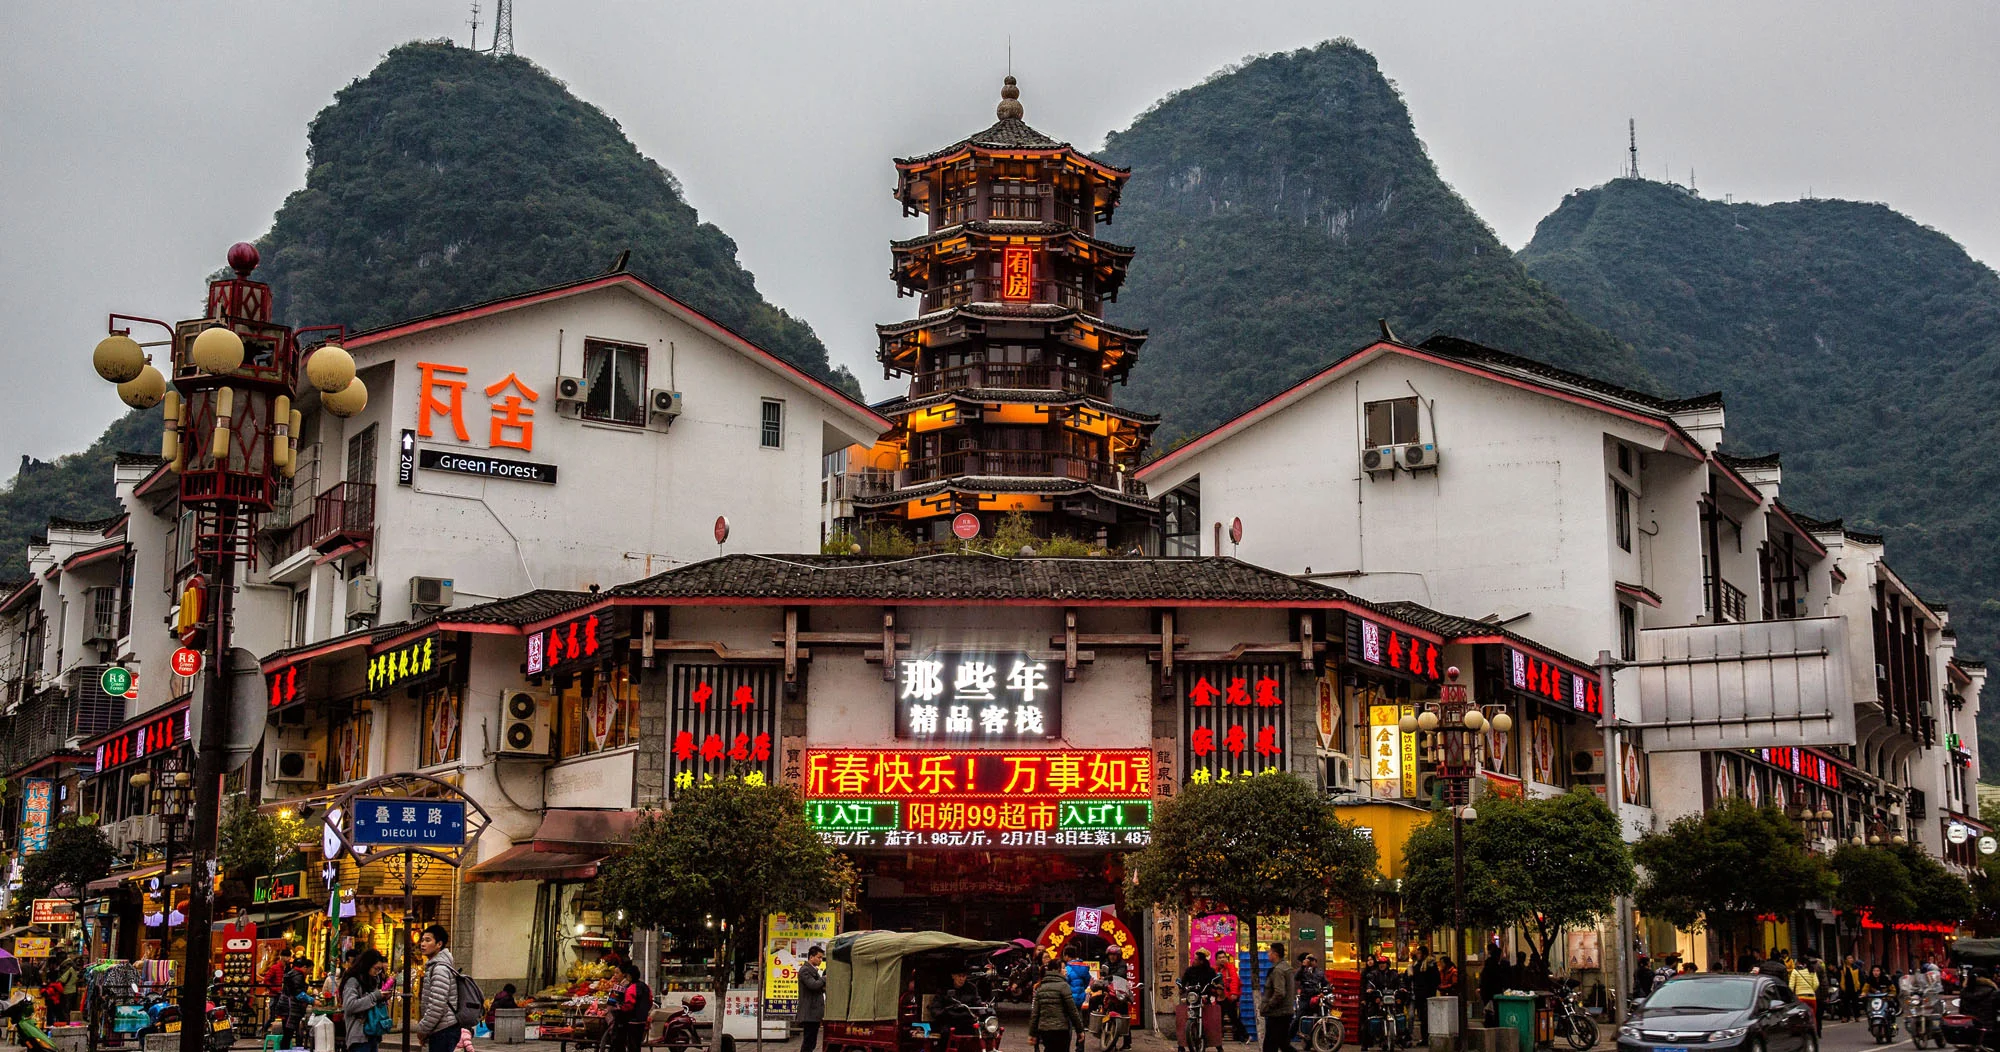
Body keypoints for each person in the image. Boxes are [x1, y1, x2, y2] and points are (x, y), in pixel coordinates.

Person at [414, 925, 463, 1052]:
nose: (423, 944)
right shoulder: (435, 966)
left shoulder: (440, 969)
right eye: (422, 940)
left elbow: (437, 1006)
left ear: (439, 944)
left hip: (444, 1030)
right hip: (441, 1029)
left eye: (428, 940)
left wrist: (422, 1029)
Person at [1030, 953, 1087, 1052]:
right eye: (1063, 968)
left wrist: (1032, 1033)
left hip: (1045, 1030)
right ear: (1057, 970)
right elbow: (1072, 1011)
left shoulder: (1041, 986)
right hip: (1061, 1029)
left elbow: (1035, 1013)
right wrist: (1079, 1030)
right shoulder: (1063, 986)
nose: (1066, 971)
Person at [340, 949, 391, 1052]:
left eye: (380, 970)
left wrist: (382, 998)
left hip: (373, 1033)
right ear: (367, 965)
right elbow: (349, 1005)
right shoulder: (353, 981)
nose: (377, 972)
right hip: (359, 1036)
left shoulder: (372, 980)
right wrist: (375, 996)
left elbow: (371, 1001)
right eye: (376, 969)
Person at [1260, 942, 1297, 1052]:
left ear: (1275, 954)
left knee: (1270, 1045)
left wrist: (1269, 1005)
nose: (1268, 954)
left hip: (1278, 1013)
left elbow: (1279, 993)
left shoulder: (1278, 970)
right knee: (1283, 1043)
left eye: (1269, 952)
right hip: (1285, 1012)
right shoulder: (1286, 967)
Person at [610, 961, 652, 1052]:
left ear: (627, 975)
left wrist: (619, 1008)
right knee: (636, 1044)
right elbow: (650, 1001)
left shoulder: (629, 987)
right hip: (642, 1020)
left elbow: (628, 1005)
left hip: (631, 1020)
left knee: (631, 1044)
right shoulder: (645, 986)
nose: (615, 975)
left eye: (617, 973)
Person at [797, 946, 825, 1052]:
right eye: (819, 957)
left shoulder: (813, 970)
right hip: (809, 1012)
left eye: (822, 958)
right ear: (811, 957)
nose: (820, 960)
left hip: (814, 1013)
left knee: (812, 1041)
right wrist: (824, 978)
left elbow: (818, 987)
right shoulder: (805, 970)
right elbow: (813, 985)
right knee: (808, 1042)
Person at [282, 955, 313, 1050]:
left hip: (286, 1006)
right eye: (310, 969)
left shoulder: (294, 974)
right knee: (288, 1033)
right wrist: (312, 1000)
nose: (310, 972)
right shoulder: (297, 975)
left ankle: (285, 1049)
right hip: (290, 1007)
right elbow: (298, 993)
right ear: (304, 967)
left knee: (288, 1033)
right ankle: (284, 1050)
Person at [1409, 948, 1439, 1043]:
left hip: (1427, 995)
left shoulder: (1430, 964)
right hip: (1419, 995)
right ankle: (1424, 1038)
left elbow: (1436, 980)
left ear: (1424, 954)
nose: (1417, 955)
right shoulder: (1417, 964)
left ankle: (1428, 1037)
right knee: (1422, 1017)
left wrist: (1430, 991)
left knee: (1427, 1017)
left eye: (1419, 953)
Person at [1218, 949, 1247, 1042]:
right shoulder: (1216, 969)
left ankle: (1245, 1036)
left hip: (1229, 997)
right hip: (1220, 997)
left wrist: (1234, 993)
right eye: (1220, 958)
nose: (1222, 959)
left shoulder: (1230, 968)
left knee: (1233, 1017)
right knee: (1221, 1017)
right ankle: (1218, 1037)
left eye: (1223, 957)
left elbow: (1235, 981)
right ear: (1216, 960)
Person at [1788, 956, 1819, 1036]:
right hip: (1812, 998)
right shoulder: (1811, 970)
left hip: (1800, 998)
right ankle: (1813, 1034)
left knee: (1800, 1018)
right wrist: (1811, 990)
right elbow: (1816, 984)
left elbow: (1791, 986)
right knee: (1812, 1016)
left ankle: (1802, 1034)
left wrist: (1792, 996)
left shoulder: (1795, 971)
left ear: (1798, 962)